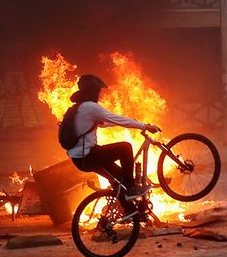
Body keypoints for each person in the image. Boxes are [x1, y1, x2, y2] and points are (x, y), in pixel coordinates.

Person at [64, 74, 160, 217]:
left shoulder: (79, 108)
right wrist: (143, 126)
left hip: (82, 157)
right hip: (88, 156)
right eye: (98, 91)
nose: (100, 94)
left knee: (118, 178)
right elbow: (115, 119)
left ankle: (130, 210)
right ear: (93, 91)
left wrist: (131, 124)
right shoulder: (90, 107)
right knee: (125, 147)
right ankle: (132, 188)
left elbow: (104, 123)